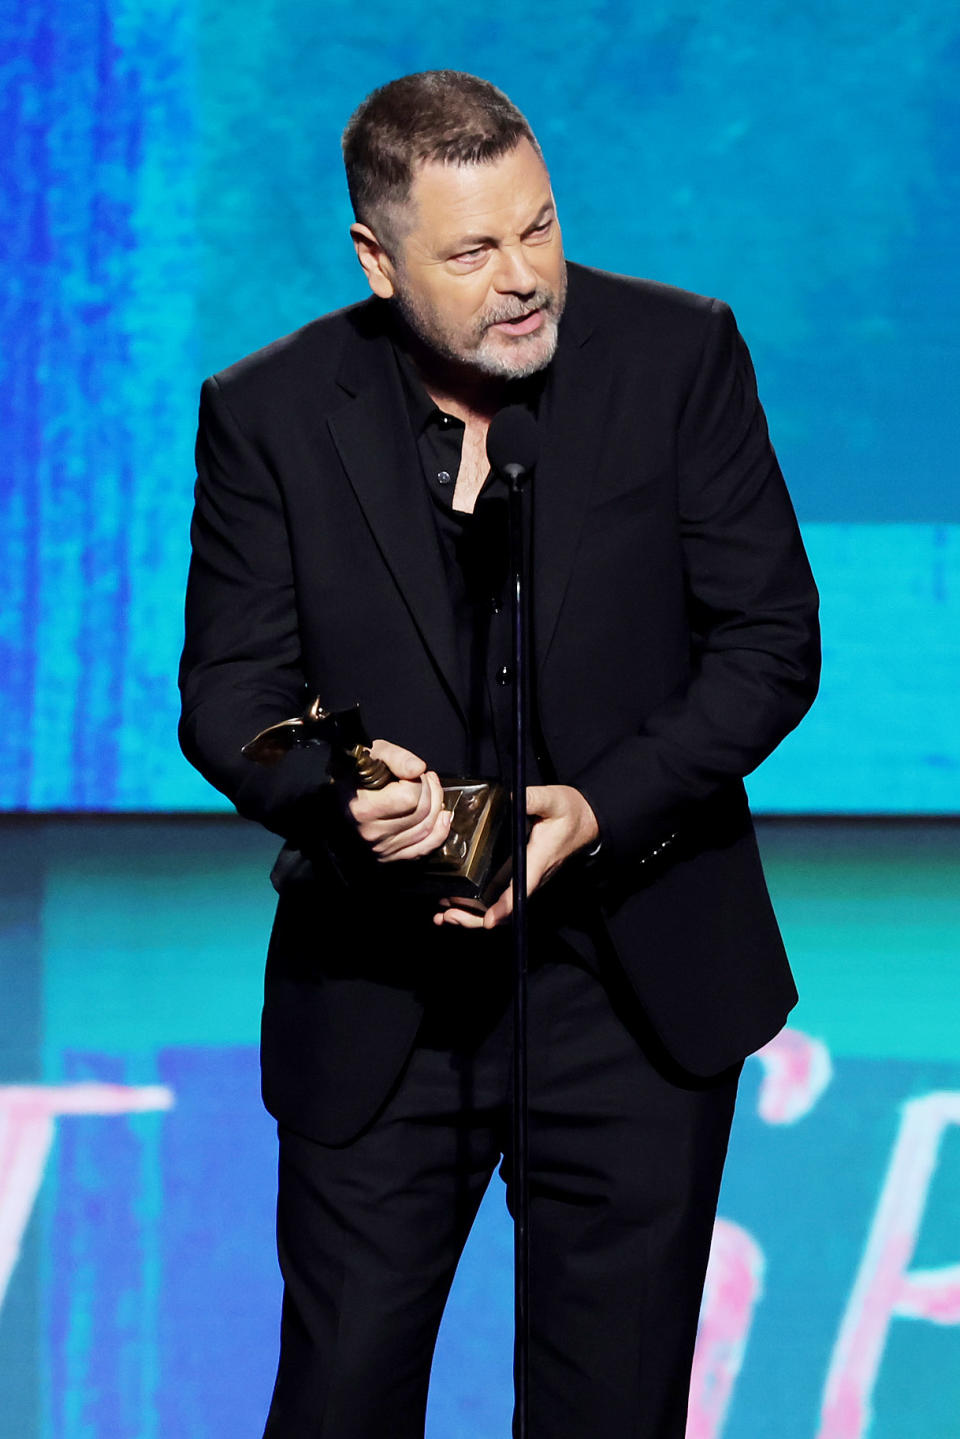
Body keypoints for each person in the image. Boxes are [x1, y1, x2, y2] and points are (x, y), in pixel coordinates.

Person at [178, 70, 820, 1439]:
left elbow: (768, 643)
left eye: (539, 229)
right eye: (472, 251)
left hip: (632, 979)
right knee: (341, 1397)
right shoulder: (271, 412)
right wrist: (353, 798)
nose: (523, 278)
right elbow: (233, 690)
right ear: (376, 258)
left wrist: (595, 808)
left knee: (612, 1408)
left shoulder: (679, 356)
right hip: (384, 994)